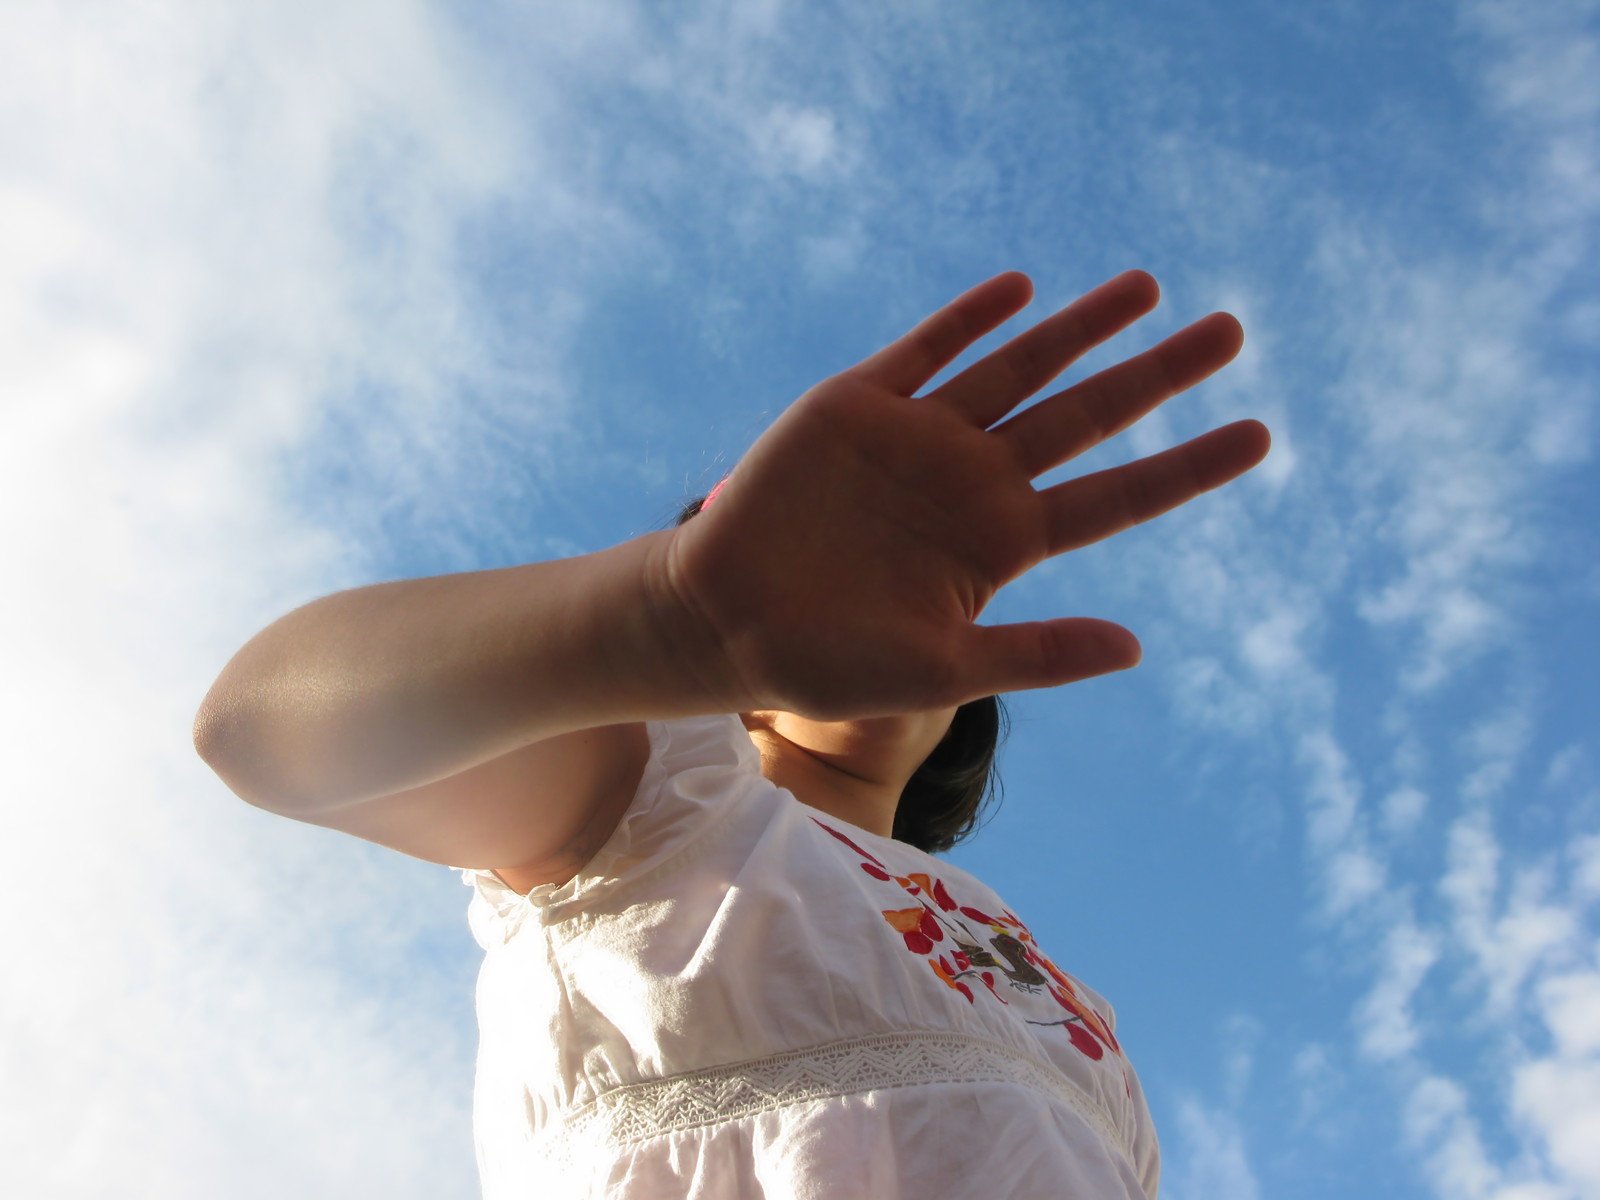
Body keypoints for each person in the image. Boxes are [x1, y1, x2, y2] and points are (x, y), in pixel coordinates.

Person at [193, 268, 1270, 1199]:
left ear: (960, 703)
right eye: (831, 580)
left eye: (929, 603)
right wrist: (667, 617)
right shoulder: (666, 808)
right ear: (732, 690)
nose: (877, 608)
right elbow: (262, 729)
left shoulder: (1073, 1012)